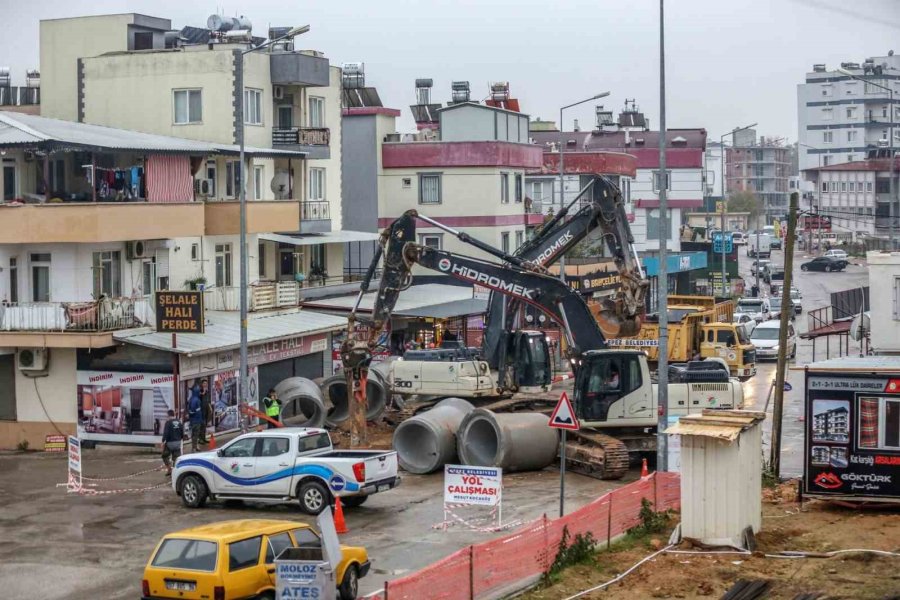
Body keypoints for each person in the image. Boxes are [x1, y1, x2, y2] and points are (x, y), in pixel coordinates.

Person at [160, 409, 184, 476]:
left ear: (168, 415)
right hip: (178, 443)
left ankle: (169, 469)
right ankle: (176, 472)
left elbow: (166, 433)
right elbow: (182, 433)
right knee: (176, 459)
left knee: (164, 455)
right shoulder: (179, 422)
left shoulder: (168, 423)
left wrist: (163, 442)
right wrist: (180, 439)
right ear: (174, 415)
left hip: (170, 443)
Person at [187, 384, 204, 452]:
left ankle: (195, 446)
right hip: (196, 421)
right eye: (199, 392)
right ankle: (194, 448)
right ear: (197, 392)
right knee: (195, 435)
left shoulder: (192, 399)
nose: (200, 393)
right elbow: (192, 411)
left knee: (194, 434)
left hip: (194, 420)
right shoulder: (196, 400)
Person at [198, 378, 211, 444]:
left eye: (206, 383)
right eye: (204, 383)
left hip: (206, 410)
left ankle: (204, 438)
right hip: (201, 410)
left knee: (204, 425)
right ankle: (200, 439)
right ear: (202, 384)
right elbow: (199, 397)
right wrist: (203, 393)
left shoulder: (207, 391)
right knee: (201, 425)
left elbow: (208, 400)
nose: (205, 385)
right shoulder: (200, 391)